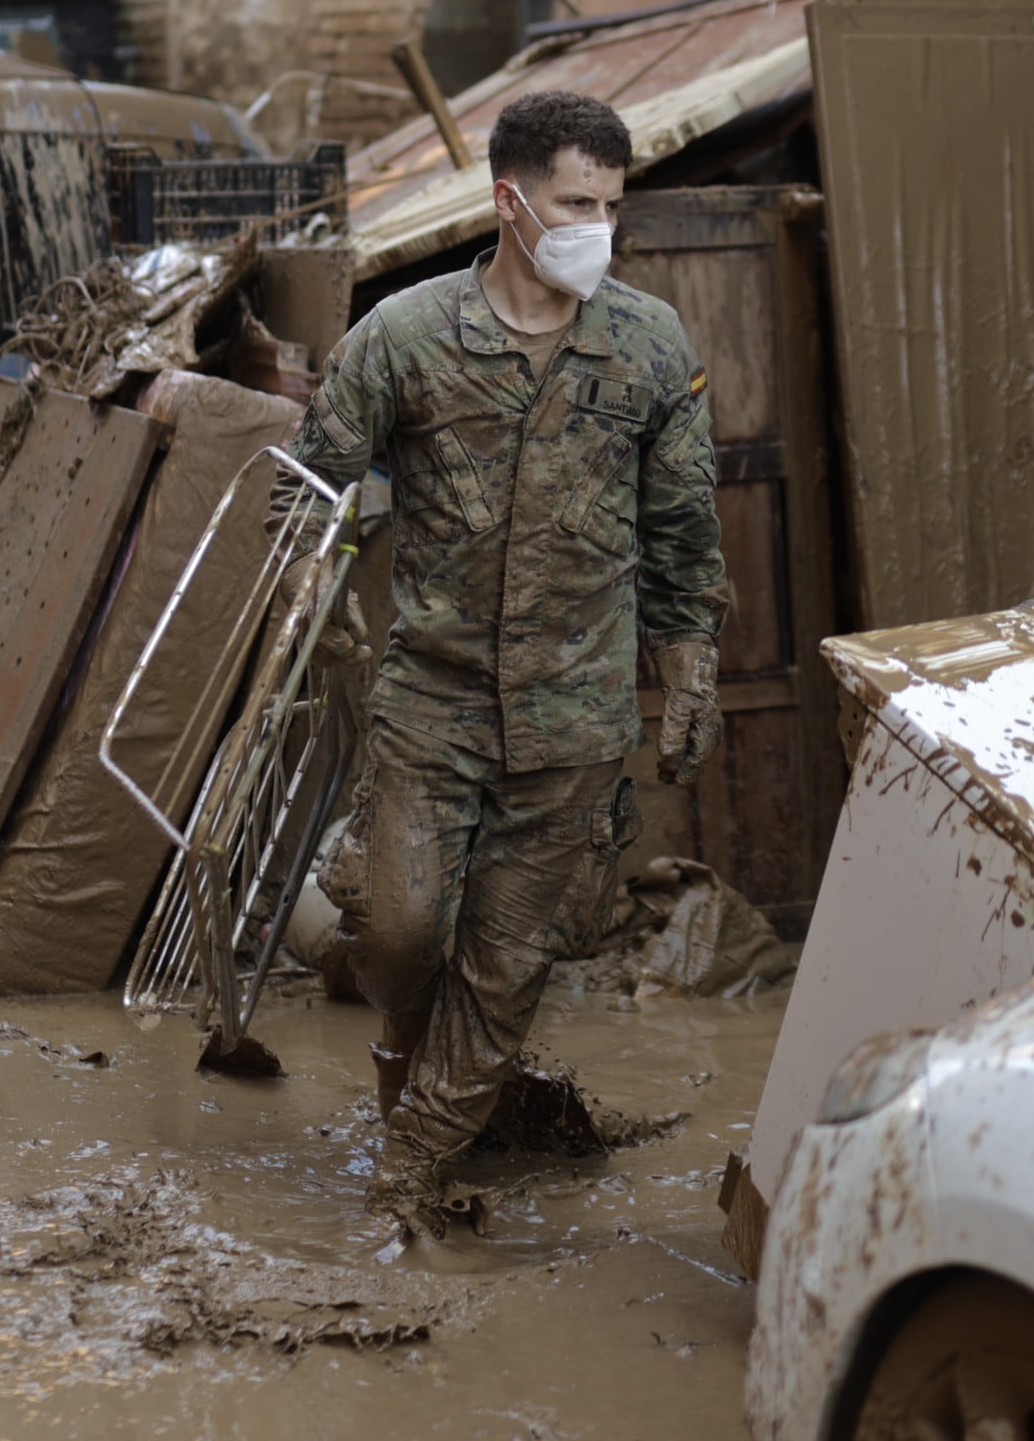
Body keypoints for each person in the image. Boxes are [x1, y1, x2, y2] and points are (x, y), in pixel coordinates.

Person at [281, 88, 730, 1237]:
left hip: (576, 718)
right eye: (578, 202)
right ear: (511, 202)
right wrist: (313, 612)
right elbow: (312, 493)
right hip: (429, 707)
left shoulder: (647, 346)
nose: (599, 227)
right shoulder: (409, 338)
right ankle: (401, 1044)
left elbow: (683, 534)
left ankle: (409, 1171)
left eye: (612, 206)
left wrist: (689, 674)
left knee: (505, 964)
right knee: (400, 930)